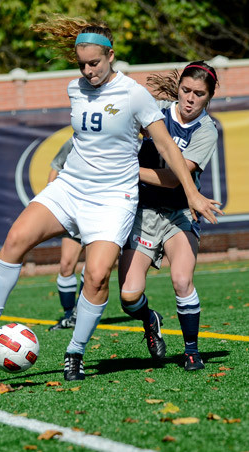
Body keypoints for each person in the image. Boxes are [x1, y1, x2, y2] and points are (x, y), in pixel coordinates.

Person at [0, 16, 222, 382]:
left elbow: (166, 146)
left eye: (94, 63)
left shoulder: (133, 94)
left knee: (96, 278)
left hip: (114, 198)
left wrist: (192, 194)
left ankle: (75, 353)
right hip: (72, 186)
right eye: (81, 63)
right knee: (17, 237)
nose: (87, 70)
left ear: (110, 56)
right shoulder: (74, 89)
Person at [118, 61, 219, 371]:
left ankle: (191, 351)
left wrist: (127, 170)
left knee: (181, 280)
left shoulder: (206, 130)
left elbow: (175, 178)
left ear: (209, 97)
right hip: (142, 213)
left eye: (198, 94)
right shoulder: (157, 109)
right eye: (186, 90)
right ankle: (151, 319)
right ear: (178, 89)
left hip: (179, 215)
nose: (190, 98)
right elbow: (121, 122)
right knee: (128, 297)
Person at [48, 138, 85, 330]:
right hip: (76, 212)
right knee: (66, 265)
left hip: (104, 211)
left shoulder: (125, 142)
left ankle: (82, 314)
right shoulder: (75, 141)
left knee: (95, 268)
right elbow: (56, 165)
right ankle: (69, 315)